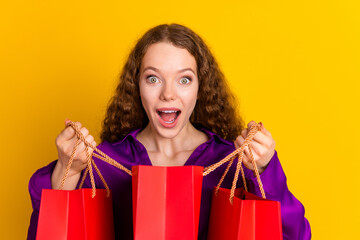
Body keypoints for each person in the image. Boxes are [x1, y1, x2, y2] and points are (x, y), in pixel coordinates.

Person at [27, 23, 311, 240]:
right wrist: (68, 170)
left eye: (184, 79)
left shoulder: (231, 162)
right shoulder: (103, 162)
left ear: (201, 88)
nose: (168, 94)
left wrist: (264, 169)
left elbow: (294, 235)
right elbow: (49, 233)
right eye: (153, 78)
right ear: (136, 86)